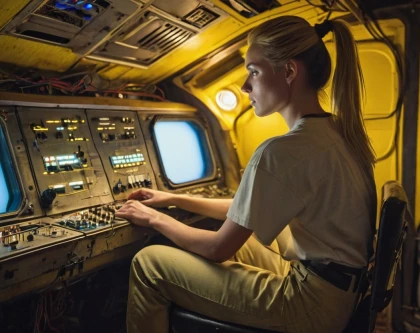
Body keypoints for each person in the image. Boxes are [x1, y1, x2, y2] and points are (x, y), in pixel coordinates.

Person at [116, 15, 377, 333]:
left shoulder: (282, 151)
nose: (245, 86)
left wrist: (155, 218)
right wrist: (175, 199)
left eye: (253, 72)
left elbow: (217, 248)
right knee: (247, 237)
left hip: (310, 307)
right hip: (339, 293)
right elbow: (247, 211)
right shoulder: (334, 131)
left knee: (149, 264)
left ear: (290, 71)